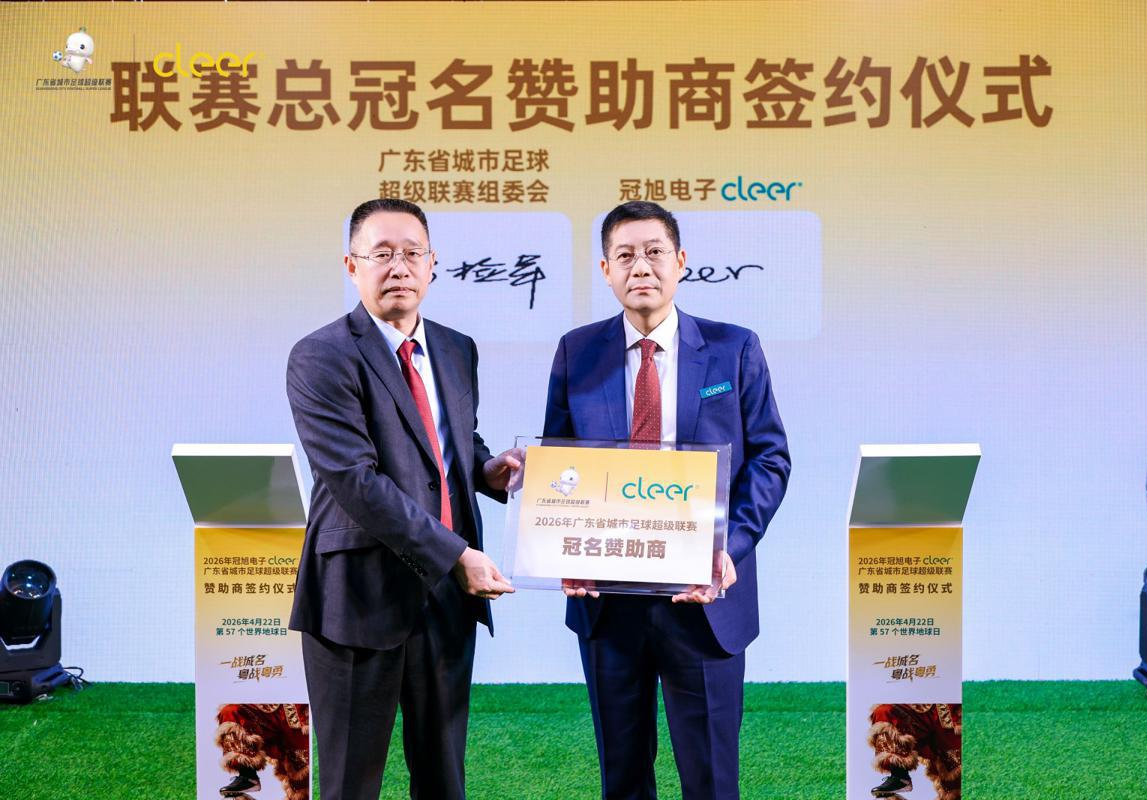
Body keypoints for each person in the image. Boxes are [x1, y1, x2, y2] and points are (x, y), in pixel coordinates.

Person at [542, 201, 791, 799]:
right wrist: (562, 548)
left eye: (654, 252)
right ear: (605, 270)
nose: (641, 267)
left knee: (710, 780)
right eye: (625, 255)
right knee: (623, 778)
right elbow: (558, 464)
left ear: (680, 262)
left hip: (704, 596)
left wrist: (729, 548)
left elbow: (770, 458)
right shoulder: (578, 352)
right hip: (609, 598)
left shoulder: (734, 349)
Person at [286, 198, 519, 800]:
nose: (399, 267)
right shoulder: (320, 354)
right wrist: (457, 554)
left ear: (433, 263)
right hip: (358, 594)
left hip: (445, 596)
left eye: (412, 253)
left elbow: (451, 443)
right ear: (351, 265)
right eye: (381, 254)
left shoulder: (457, 348)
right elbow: (355, 480)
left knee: (443, 778)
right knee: (350, 781)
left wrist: (489, 472)